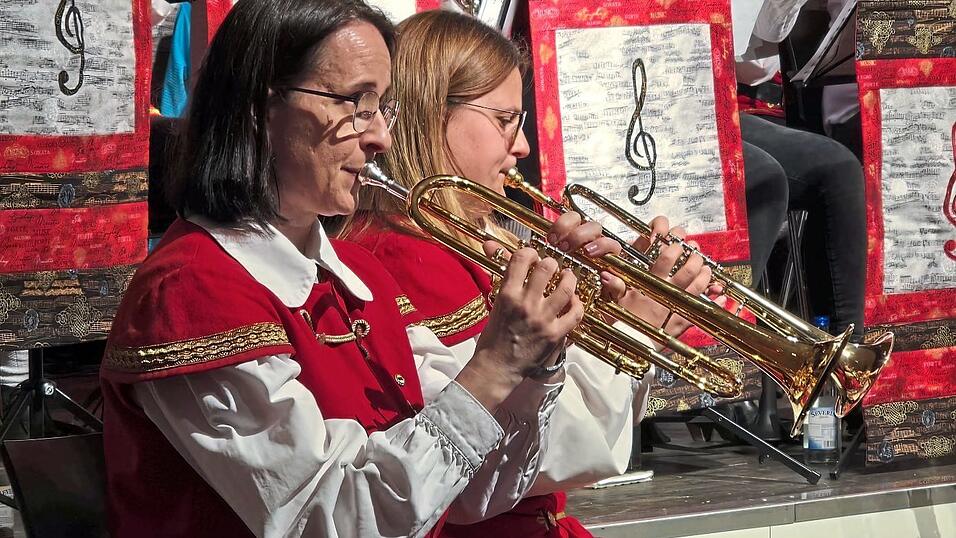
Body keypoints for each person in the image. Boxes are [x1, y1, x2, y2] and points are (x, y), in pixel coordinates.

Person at [98, 1, 606, 536]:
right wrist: (494, 368)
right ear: (262, 107)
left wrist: (540, 358)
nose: (381, 137)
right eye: (356, 104)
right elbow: (331, 519)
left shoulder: (356, 274)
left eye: (381, 106)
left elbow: (478, 492)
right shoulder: (192, 291)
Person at [342, 10, 717, 537]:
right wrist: (634, 327)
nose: (521, 147)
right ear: (432, 114)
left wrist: (599, 307)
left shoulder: (476, 242)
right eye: (504, 120)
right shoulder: (402, 258)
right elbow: (533, 461)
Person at [735, 0, 866, 336]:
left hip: (726, 106)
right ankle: (732, 347)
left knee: (839, 170)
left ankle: (845, 354)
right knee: (763, 176)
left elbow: (755, 64)